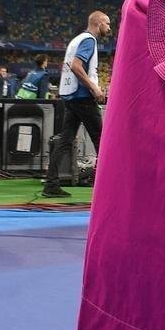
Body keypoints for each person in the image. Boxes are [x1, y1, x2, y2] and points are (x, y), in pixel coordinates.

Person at [41, 12, 112, 197]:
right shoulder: (89, 41)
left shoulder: (77, 39)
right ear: (97, 23)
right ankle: (107, 188)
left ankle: (51, 185)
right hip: (83, 97)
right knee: (102, 141)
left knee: (65, 141)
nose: (110, 27)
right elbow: (76, 66)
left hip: (71, 96)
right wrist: (95, 89)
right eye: (107, 23)